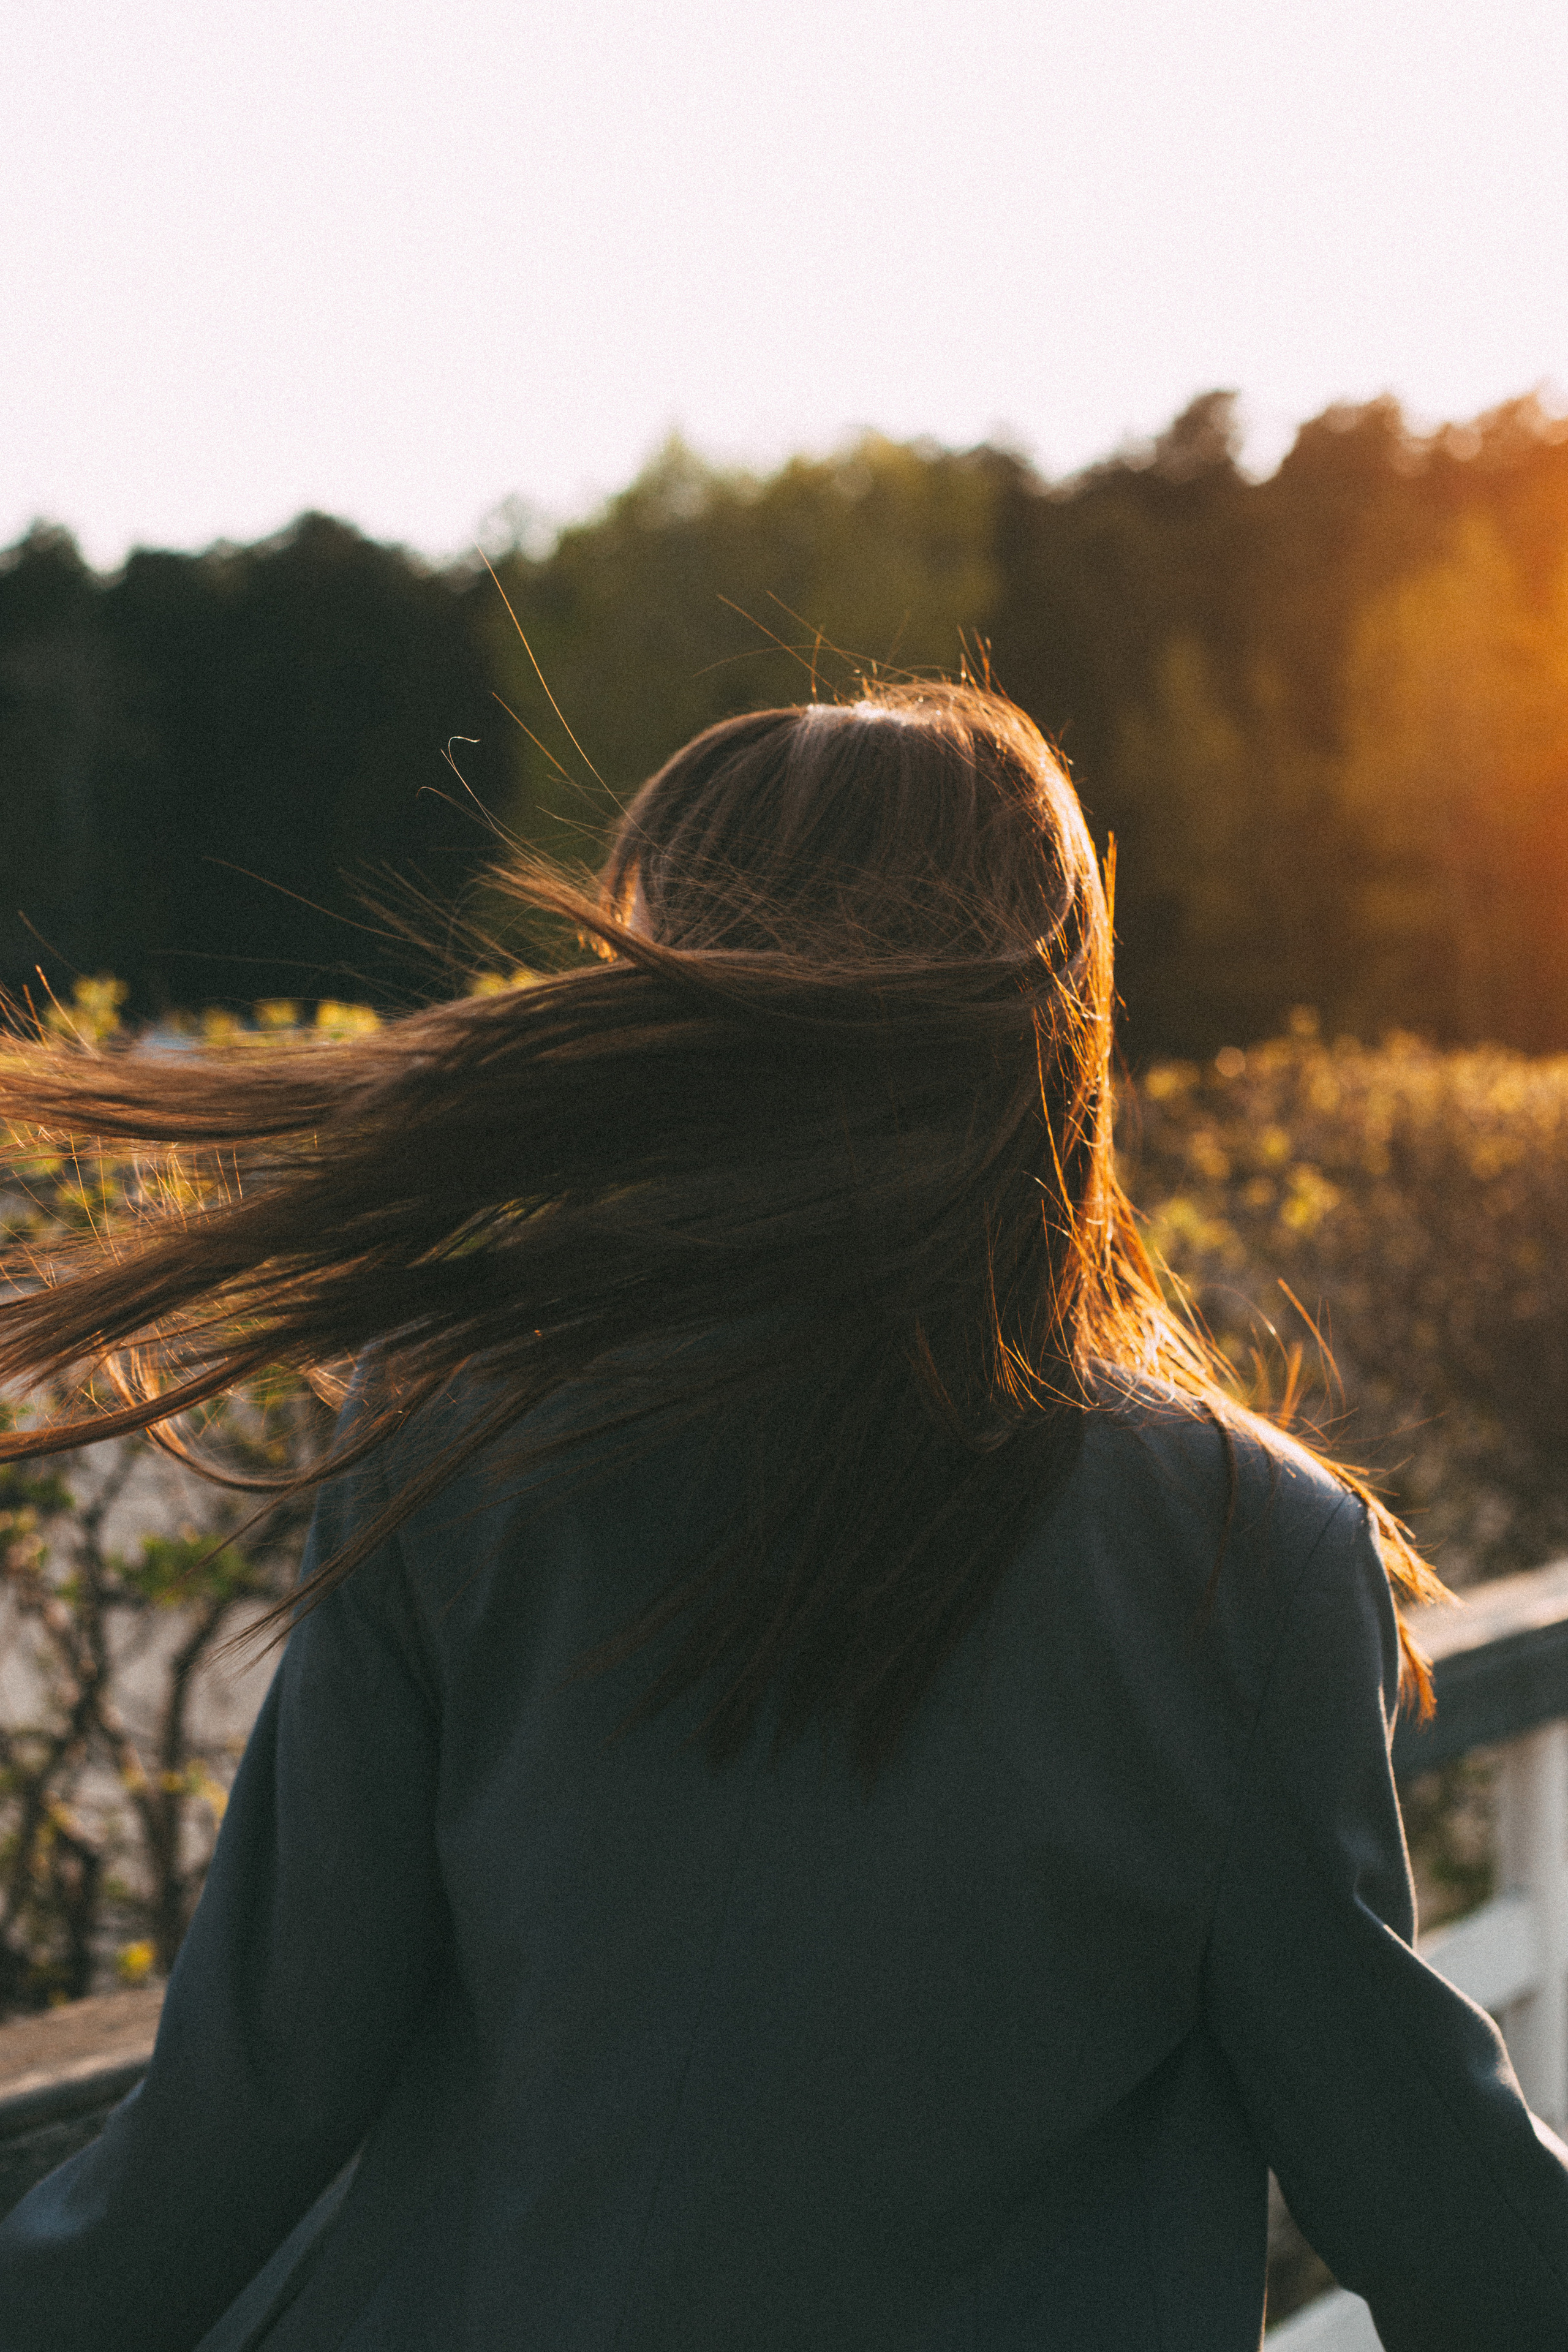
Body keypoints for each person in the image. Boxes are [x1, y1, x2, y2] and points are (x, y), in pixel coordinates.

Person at [0, 683, 1563, 2351]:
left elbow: (248, 2104)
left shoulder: (471, 1435)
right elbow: (1425, 2184)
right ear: (1062, 1034)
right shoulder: (1250, 1550)